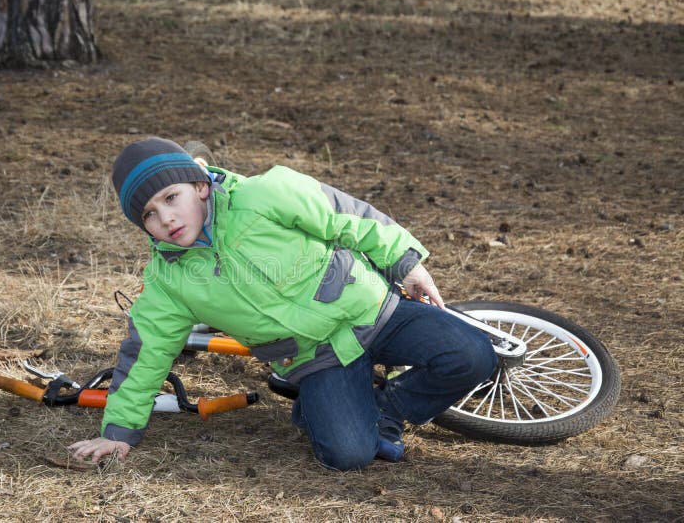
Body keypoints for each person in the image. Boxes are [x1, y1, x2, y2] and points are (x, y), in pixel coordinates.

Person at [69, 137, 497, 470]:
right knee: (348, 456)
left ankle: (388, 409)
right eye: (148, 214)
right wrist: (120, 431)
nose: (165, 219)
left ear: (200, 185)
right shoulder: (168, 282)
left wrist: (405, 263)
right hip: (317, 357)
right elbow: (146, 354)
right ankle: (318, 404)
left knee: (473, 355)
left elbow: (347, 217)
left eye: (170, 198)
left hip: (375, 311)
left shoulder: (266, 194)